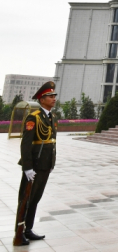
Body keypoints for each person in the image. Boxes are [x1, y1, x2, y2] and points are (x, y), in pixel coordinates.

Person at [14, 81, 58, 245]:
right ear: (41, 99)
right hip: (34, 166)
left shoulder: (52, 117)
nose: (53, 99)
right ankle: (19, 231)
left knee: (35, 198)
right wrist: (27, 168)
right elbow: (26, 144)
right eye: (50, 96)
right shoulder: (34, 117)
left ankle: (28, 229)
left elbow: (51, 142)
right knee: (25, 199)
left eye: (54, 96)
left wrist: (51, 163)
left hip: (45, 165)